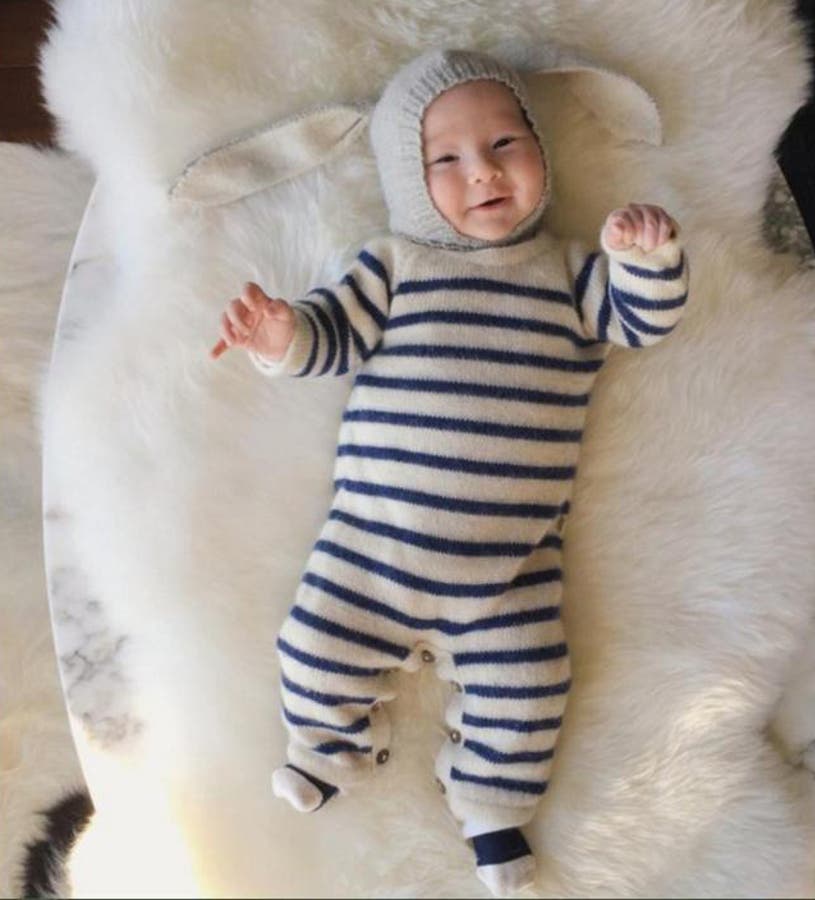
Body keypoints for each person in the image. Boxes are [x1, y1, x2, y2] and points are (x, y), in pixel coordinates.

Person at [210, 49, 688, 896]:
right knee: (311, 649)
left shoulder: (569, 273)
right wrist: (280, 335)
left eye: (506, 143)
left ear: (540, 149)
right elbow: (329, 337)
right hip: (372, 548)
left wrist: (646, 260)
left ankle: (491, 807)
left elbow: (640, 322)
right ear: (407, 176)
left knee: (532, 689)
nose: (484, 172)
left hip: (511, 573)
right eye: (447, 158)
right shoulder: (396, 265)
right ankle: (326, 749)